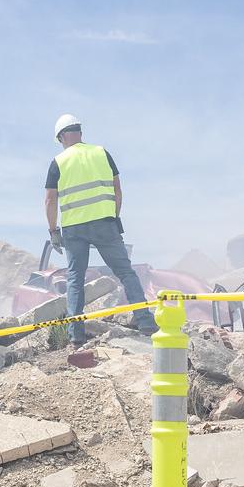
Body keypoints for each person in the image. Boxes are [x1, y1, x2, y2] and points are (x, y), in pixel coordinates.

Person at [43, 114, 157, 345]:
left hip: (74, 228)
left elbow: (50, 200)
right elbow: (117, 189)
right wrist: (114, 217)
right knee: (126, 272)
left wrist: (53, 231)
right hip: (105, 224)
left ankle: (75, 336)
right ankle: (145, 321)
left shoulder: (58, 162)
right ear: (80, 133)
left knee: (75, 279)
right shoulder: (101, 153)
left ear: (62, 137)